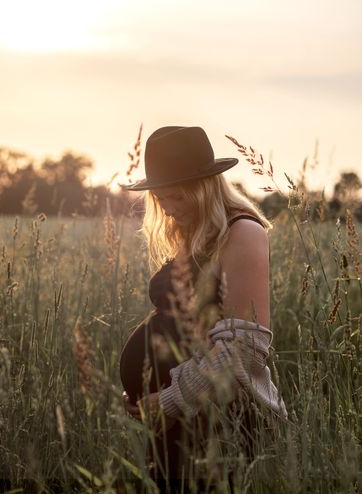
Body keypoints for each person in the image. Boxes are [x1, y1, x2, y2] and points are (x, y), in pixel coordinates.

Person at [119, 126, 287, 489]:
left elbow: (243, 352)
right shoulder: (191, 232)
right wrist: (141, 394)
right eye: (160, 198)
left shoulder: (242, 233)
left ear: (205, 187)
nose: (168, 208)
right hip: (175, 421)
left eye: (176, 196)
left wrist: (165, 401)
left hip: (220, 424)